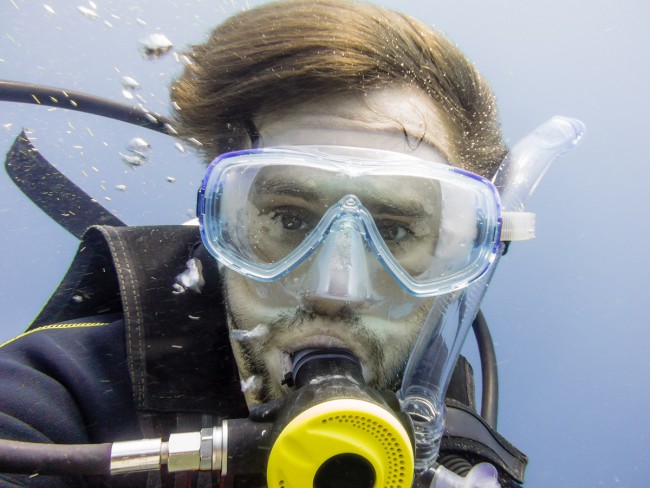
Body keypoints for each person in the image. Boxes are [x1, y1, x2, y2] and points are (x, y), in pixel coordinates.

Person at [0, 0, 531, 486]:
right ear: (221, 227)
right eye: (290, 219)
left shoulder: (453, 445)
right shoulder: (65, 388)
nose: (336, 292)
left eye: (392, 231)